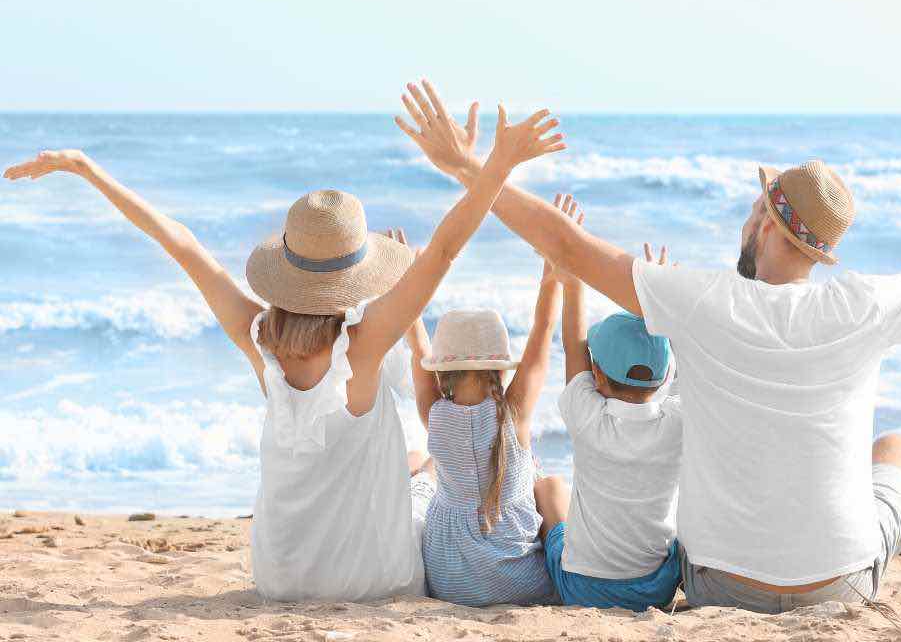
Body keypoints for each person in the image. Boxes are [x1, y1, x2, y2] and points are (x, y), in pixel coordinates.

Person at [394, 79, 901, 613]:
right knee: (899, 449)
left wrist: (473, 168)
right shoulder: (865, 305)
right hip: (840, 587)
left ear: (766, 224)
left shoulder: (698, 301)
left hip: (716, 589)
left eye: (754, 211)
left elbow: (568, 247)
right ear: (820, 251)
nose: (747, 222)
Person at [3, 104, 565, 602]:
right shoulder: (361, 347)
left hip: (280, 577)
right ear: (356, 275)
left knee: (420, 467)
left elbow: (181, 244)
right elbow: (442, 250)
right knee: (426, 475)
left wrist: (86, 168)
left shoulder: (259, 342)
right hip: (374, 578)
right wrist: (497, 165)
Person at [536, 202, 684, 612]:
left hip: (582, 588)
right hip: (658, 588)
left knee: (549, 488)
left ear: (597, 375)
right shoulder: (678, 421)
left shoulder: (588, 419)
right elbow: (689, 357)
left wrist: (572, 277)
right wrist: (666, 302)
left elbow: (573, 345)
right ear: (665, 377)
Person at [412, 243, 564, 607]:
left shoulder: (434, 414)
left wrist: (413, 284)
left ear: (441, 370)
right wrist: (552, 271)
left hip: (450, 582)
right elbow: (542, 332)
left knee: (428, 471)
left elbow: (416, 347)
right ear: (499, 367)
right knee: (544, 481)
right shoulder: (513, 414)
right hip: (522, 583)